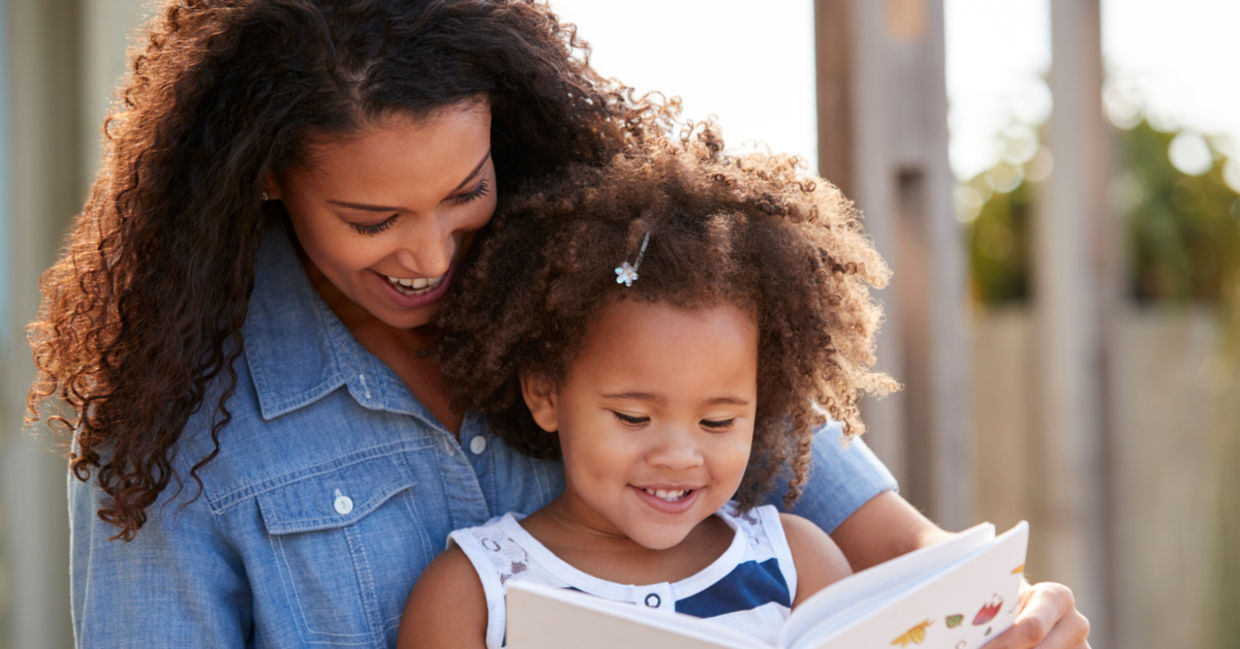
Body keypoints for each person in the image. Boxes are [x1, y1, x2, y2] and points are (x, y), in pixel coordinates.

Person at [24, 1, 1088, 648]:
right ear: (260, 180)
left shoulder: (617, 279)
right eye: (370, 218)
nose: (433, 257)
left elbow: (902, 555)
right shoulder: (174, 418)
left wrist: (1013, 614)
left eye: (465, 191)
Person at [399, 128, 891, 648]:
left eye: (718, 422)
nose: (678, 456)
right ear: (545, 393)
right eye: (633, 418)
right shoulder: (478, 592)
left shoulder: (796, 567)